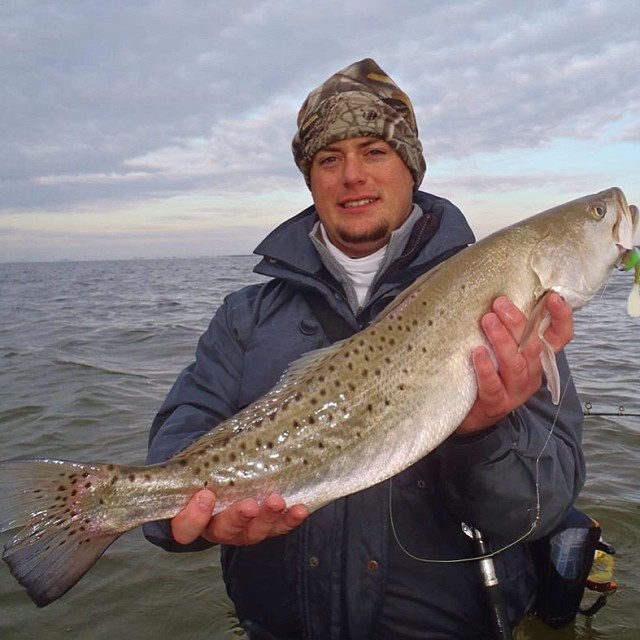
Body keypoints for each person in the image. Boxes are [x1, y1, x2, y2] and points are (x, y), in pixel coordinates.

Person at [143, 59, 584, 639]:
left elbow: (538, 511)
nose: (352, 175)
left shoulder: (504, 308)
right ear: (310, 178)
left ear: (411, 168)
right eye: (329, 158)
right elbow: (178, 441)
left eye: (375, 151)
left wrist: (482, 433)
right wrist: (191, 523)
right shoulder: (244, 317)